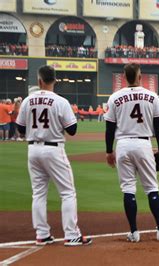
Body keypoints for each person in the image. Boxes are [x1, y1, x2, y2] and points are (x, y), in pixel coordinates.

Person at [15, 65, 92, 246]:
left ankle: (42, 234)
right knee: (67, 193)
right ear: (55, 80)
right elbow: (72, 130)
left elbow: (19, 129)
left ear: (39, 81)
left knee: (38, 193)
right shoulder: (60, 101)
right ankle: (71, 234)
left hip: (33, 149)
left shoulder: (28, 100)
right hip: (53, 148)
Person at [104, 63, 159, 242]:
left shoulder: (115, 97)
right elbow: (158, 125)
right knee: (152, 188)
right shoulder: (152, 96)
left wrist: (109, 150)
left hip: (123, 144)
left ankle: (134, 233)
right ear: (140, 77)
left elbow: (109, 128)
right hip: (143, 144)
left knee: (128, 190)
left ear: (125, 77)